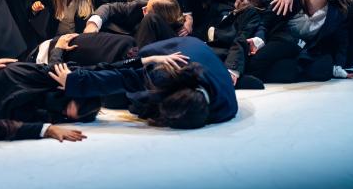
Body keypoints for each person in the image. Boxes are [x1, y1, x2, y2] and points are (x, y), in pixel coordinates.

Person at [50, 36, 238, 128]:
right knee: (117, 97)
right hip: (170, 52)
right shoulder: (167, 74)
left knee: (128, 103)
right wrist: (75, 81)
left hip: (198, 55)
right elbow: (122, 78)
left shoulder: (224, 109)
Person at [84, 0, 186, 47]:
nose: (143, 9)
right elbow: (109, 8)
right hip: (114, 39)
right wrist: (93, 23)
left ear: (158, 20)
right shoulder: (141, 5)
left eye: (147, 10)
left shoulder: (177, 33)